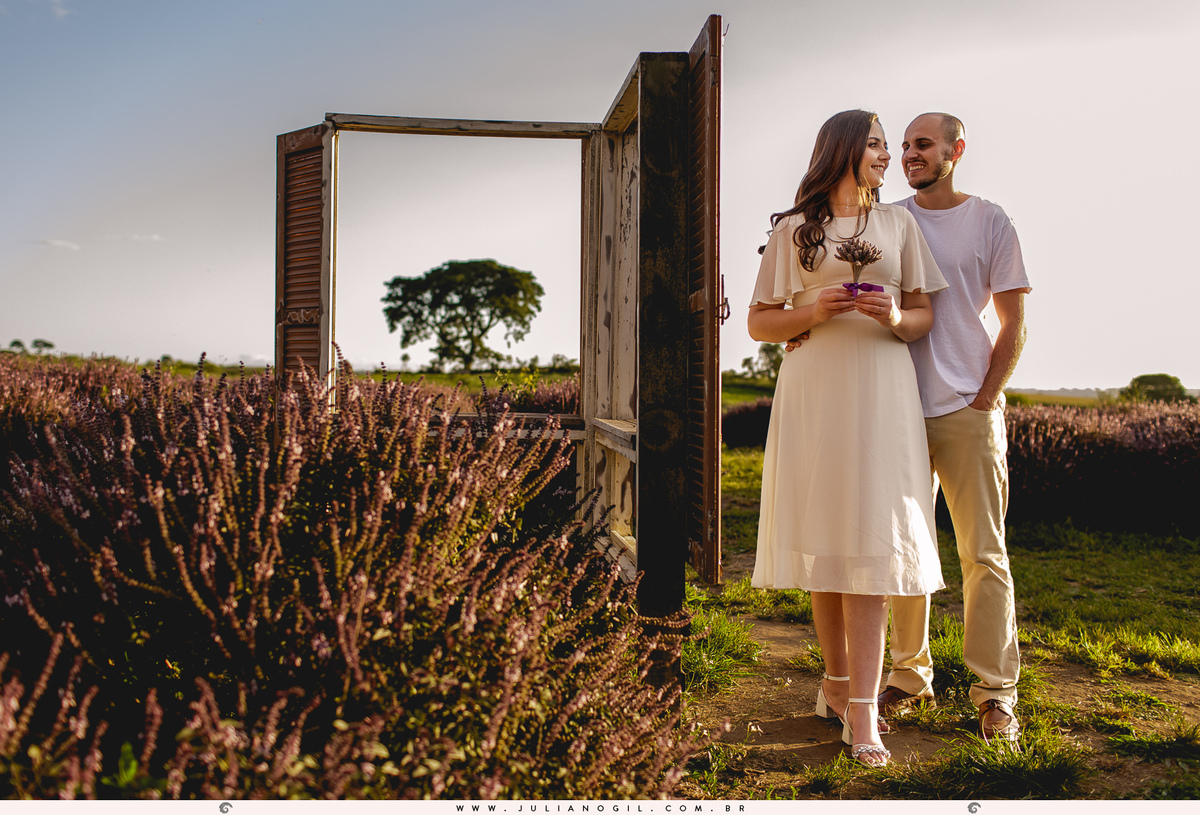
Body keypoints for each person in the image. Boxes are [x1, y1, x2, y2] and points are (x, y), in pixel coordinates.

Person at [789, 113, 1032, 744]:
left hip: (963, 408)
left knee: (982, 554)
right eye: (902, 146)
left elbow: (1013, 322)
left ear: (956, 149)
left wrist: (985, 399)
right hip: (887, 413)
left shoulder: (990, 221)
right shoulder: (881, 219)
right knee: (896, 554)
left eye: (922, 145)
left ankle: (995, 693)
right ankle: (907, 676)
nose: (908, 155)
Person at [748, 109, 948, 768]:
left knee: (872, 542)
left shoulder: (899, 225)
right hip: (815, 393)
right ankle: (835, 684)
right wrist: (812, 310)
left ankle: (863, 711)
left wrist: (892, 313)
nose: (887, 157)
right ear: (840, 151)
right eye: (875, 146)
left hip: (883, 395)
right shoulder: (793, 231)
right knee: (830, 536)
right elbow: (758, 322)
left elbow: (923, 315)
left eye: (890, 147)